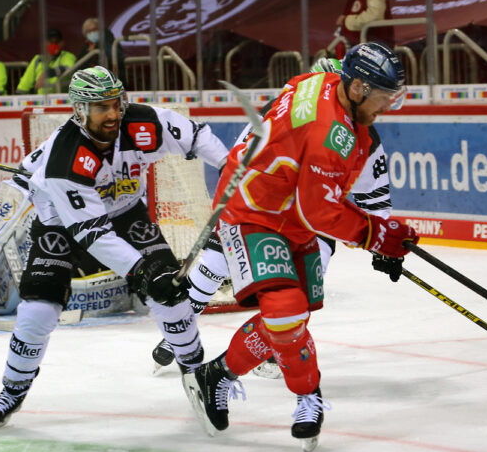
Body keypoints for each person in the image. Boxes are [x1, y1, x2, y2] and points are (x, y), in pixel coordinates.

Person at [183, 42, 418, 452]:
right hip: (251, 210)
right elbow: (320, 211)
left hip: (286, 210)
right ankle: (309, 396)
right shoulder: (333, 132)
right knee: (286, 311)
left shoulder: (326, 86)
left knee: (292, 318)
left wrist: (379, 231)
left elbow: (319, 193)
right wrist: (378, 236)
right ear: (359, 87)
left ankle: (217, 374)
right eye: (383, 98)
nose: (387, 108)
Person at [0, 66, 228, 433]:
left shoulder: (143, 122)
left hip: (126, 213)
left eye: (115, 104)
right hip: (61, 224)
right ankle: (12, 390)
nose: (112, 114)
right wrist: (141, 273)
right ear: (79, 111)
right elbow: (92, 233)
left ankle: (197, 372)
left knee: (170, 294)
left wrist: (232, 165)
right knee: (37, 312)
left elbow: (196, 136)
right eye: (100, 108)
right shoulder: (64, 157)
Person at [151, 57, 403, 376]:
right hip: (260, 205)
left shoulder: (361, 137)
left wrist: (381, 244)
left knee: (299, 289)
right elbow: (242, 157)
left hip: (312, 220)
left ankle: (268, 347)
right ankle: (181, 334)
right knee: (215, 262)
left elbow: (374, 199)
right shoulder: (283, 107)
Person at [15, 28, 76, 94]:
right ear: (44, 43)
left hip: (61, 99)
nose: (54, 45)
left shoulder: (68, 56)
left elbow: (69, 69)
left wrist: (48, 73)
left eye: (57, 42)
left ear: (62, 43)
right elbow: (24, 85)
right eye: (51, 42)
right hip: (40, 101)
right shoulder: (37, 60)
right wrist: (18, 96)